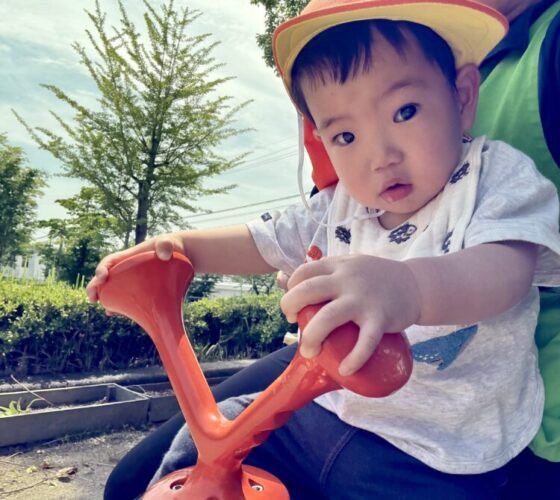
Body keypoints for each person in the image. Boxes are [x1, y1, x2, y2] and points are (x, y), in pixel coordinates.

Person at [88, 0, 560, 497]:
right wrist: (181, 247)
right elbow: (263, 240)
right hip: (320, 416)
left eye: (404, 112)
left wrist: (410, 287)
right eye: (347, 136)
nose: (380, 156)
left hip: (439, 452)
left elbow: (505, 269)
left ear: (463, 97)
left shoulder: (494, 177)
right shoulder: (342, 204)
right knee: (211, 440)